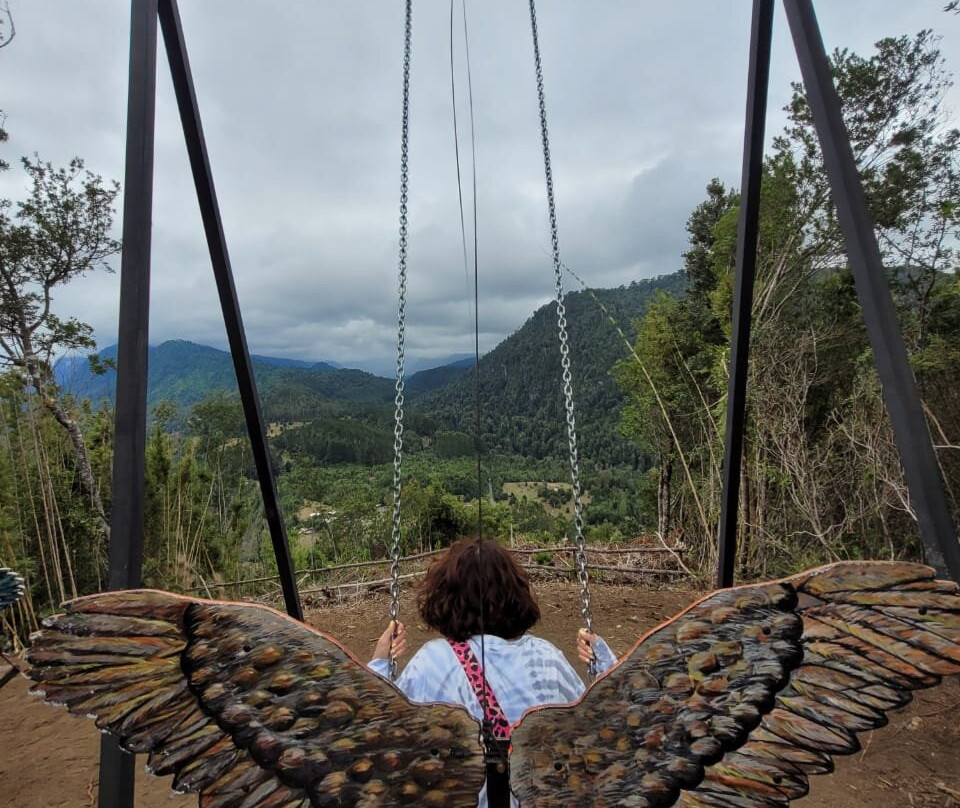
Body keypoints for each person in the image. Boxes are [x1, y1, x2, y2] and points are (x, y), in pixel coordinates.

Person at [368, 538, 617, 807]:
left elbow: (381, 734)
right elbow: (596, 725)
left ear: (445, 596)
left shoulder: (432, 661)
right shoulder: (546, 657)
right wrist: (605, 667)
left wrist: (380, 663)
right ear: (516, 592)